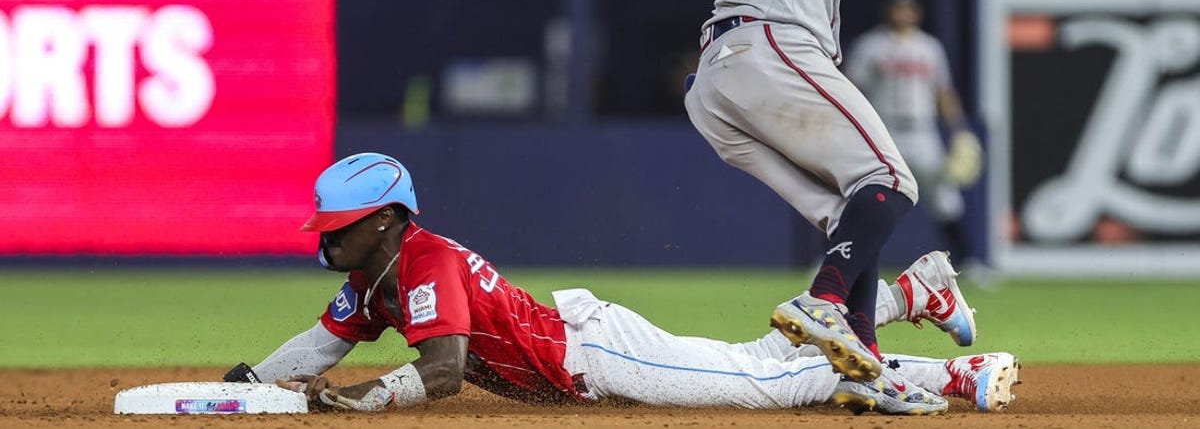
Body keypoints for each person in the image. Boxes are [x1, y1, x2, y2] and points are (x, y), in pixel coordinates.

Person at [682, 0, 1040, 386]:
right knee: (893, 180)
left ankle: (863, 362)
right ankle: (821, 302)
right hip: (768, 44)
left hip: (725, 84)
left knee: (852, 213)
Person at [224, 152, 1019, 415]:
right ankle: (918, 303)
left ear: (389, 218)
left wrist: (359, 402)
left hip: (596, 354)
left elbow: (439, 373)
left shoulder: (424, 258)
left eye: (343, 224)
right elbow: (322, 340)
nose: (327, 236)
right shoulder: (376, 273)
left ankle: (917, 343)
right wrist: (257, 379)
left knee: (767, 385)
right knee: (758, 358)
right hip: (575, 352)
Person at [843, 0, 986, 273]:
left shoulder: (929, 47)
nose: (902, 12)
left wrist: (959, 129)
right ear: (888, 10)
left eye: (907, 7)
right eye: (897, 6)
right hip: (884, 131)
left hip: (923, 131)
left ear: (917, 12)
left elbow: (943, 92)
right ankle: (836, 257)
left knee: (945, 198)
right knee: (863, 195)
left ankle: (969, 261)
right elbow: (852, 90)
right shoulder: (870, 46)